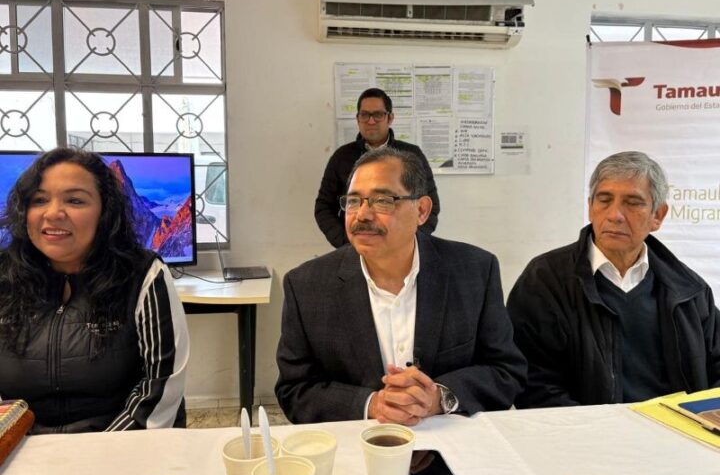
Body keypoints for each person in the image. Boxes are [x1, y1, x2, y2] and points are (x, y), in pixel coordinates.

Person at [277, 147, 526, 424]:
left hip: (448, 442)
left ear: (421, 210)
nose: (362, 215)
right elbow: (294, 389)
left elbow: (506, 371)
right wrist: (372, 404)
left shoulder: (474, 271)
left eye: (383, 201)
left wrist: (439, 397)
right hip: (358, 444)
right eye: (353, 201)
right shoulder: (306, 286)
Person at [507, 151, 720, 408]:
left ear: (658, 216)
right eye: (604, 200)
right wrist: (603, 427)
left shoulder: (688, 289)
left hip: (676, 427)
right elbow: (532, 383)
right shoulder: (544, 280)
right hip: (585, 429)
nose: (615, 215)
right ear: (590, 207)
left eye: (633, 203)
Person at [0, 148, 189, 433]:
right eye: (39, 200)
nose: (53, 213)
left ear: (105, 212)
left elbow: (160, 387)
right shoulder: (4, 276)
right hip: (21, 448)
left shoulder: (142, 275)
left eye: (75, 200)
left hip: (121, 448)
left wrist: (97, 452)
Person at [314, 87, 441, 248]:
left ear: (390, 118)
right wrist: (347, 243)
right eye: (365, 115)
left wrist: (408, 241)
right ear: (358, 119)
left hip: (402, 250)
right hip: (358, 247)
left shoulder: (411, 155)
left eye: (378, 114)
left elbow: (430, 206)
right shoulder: (342, 157)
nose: (371, 121)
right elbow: (323, 207)